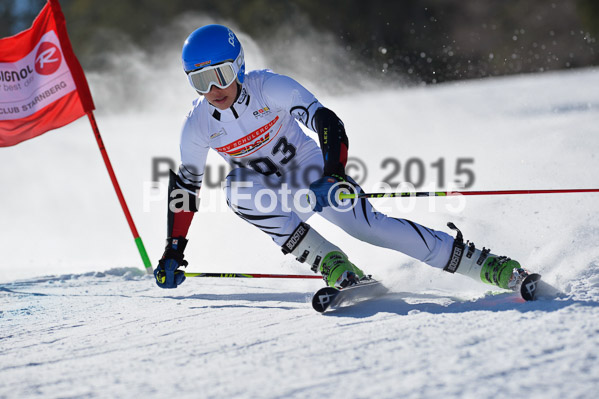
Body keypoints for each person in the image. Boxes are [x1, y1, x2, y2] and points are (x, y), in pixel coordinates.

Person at [154, 24, 531, 293]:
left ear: (238, 66)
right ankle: (332, 264)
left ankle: (485, 265)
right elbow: (186, 185)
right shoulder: (198, 124)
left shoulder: (269, 87)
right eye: (200, 82)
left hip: (313, 171)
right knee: (235, 188)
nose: (214, 90)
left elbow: (326, 120)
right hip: (273, 192)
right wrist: (174, 248)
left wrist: (333, 173)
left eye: (219, 75)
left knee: (370, 227)